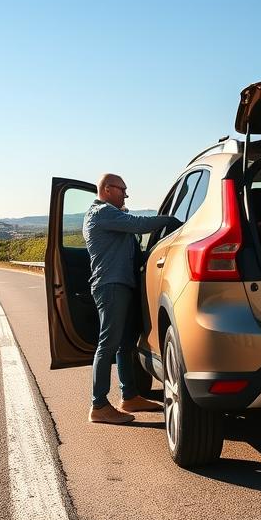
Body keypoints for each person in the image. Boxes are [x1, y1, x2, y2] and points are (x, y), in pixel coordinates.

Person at [83, 173, 178, 425]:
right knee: (109, 343)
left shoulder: (112, 214)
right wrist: (171, 220)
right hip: (111, 285)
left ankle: (129, 396)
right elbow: (138, 224)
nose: (126, 194)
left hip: (121, 284)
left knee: (125, 344)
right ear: (106, 189)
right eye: (122, 189)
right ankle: (99, 405)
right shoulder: (101, 213)